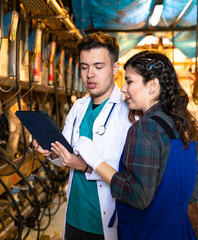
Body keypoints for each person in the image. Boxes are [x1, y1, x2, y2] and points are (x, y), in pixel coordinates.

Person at [66, 50, 198, 240]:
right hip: (181, 231)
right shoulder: (185, 127)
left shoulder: (145, 129)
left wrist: (95, 161)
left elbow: (137, 197)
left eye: (129, 81)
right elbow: (193, 195)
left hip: (149, 232)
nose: (123, 88)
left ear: (152, 85)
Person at [34, 32, 132, 240]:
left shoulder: (128, 111)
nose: (90, 75)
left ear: (115, 69)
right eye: (84, 67)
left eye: (98, 67)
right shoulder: (79, 107)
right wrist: (50, 153)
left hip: (105, 221)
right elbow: (64, 157)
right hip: (74, 218)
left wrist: (83, 165)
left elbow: (128, 177)